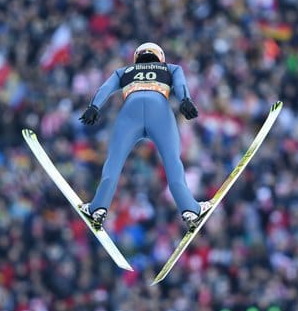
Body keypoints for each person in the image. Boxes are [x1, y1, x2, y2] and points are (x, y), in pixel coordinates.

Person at [78, 42, 212, 231]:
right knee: (173, 162)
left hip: (130, 112)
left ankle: (98, 208)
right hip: (160, 110)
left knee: (113, 163)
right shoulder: (170, 68)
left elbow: (105, 88)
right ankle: (190, 210)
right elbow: (181, 84)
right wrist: (185, 100)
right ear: (160, 56)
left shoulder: (124, 71)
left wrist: (94, 107)